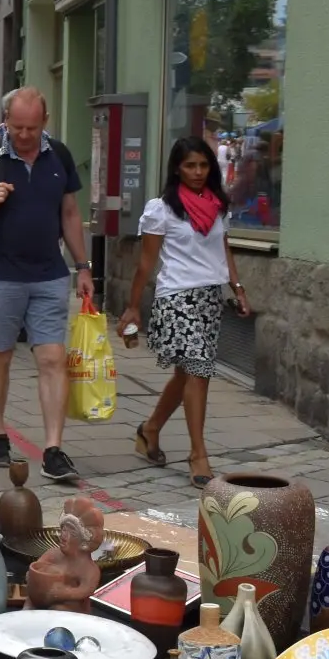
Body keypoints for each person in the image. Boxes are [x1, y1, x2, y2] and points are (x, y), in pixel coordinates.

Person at [0, 87, 95, 482]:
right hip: (0, 274)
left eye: (32, 127)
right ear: (5, 121)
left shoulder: (58, 156)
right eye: (17, 127)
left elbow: (69, 212)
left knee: (52, 359)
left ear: (45, 121)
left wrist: (83, 267)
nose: (25, 135)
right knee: (0, 355)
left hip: (49, 274)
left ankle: (53, 450)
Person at [121, 137, 249, 489]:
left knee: (187, 374)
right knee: (198, 371)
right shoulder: (161, 209)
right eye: (190, 165)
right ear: (177, 168)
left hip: (210, 298)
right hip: (176, 298)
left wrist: (238, 288)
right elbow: (145, 263)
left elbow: (224, 250)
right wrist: (132, 308)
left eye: (203, 165)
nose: (197, 172)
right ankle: (198, 454)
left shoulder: (218, 205)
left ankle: (150, 430)